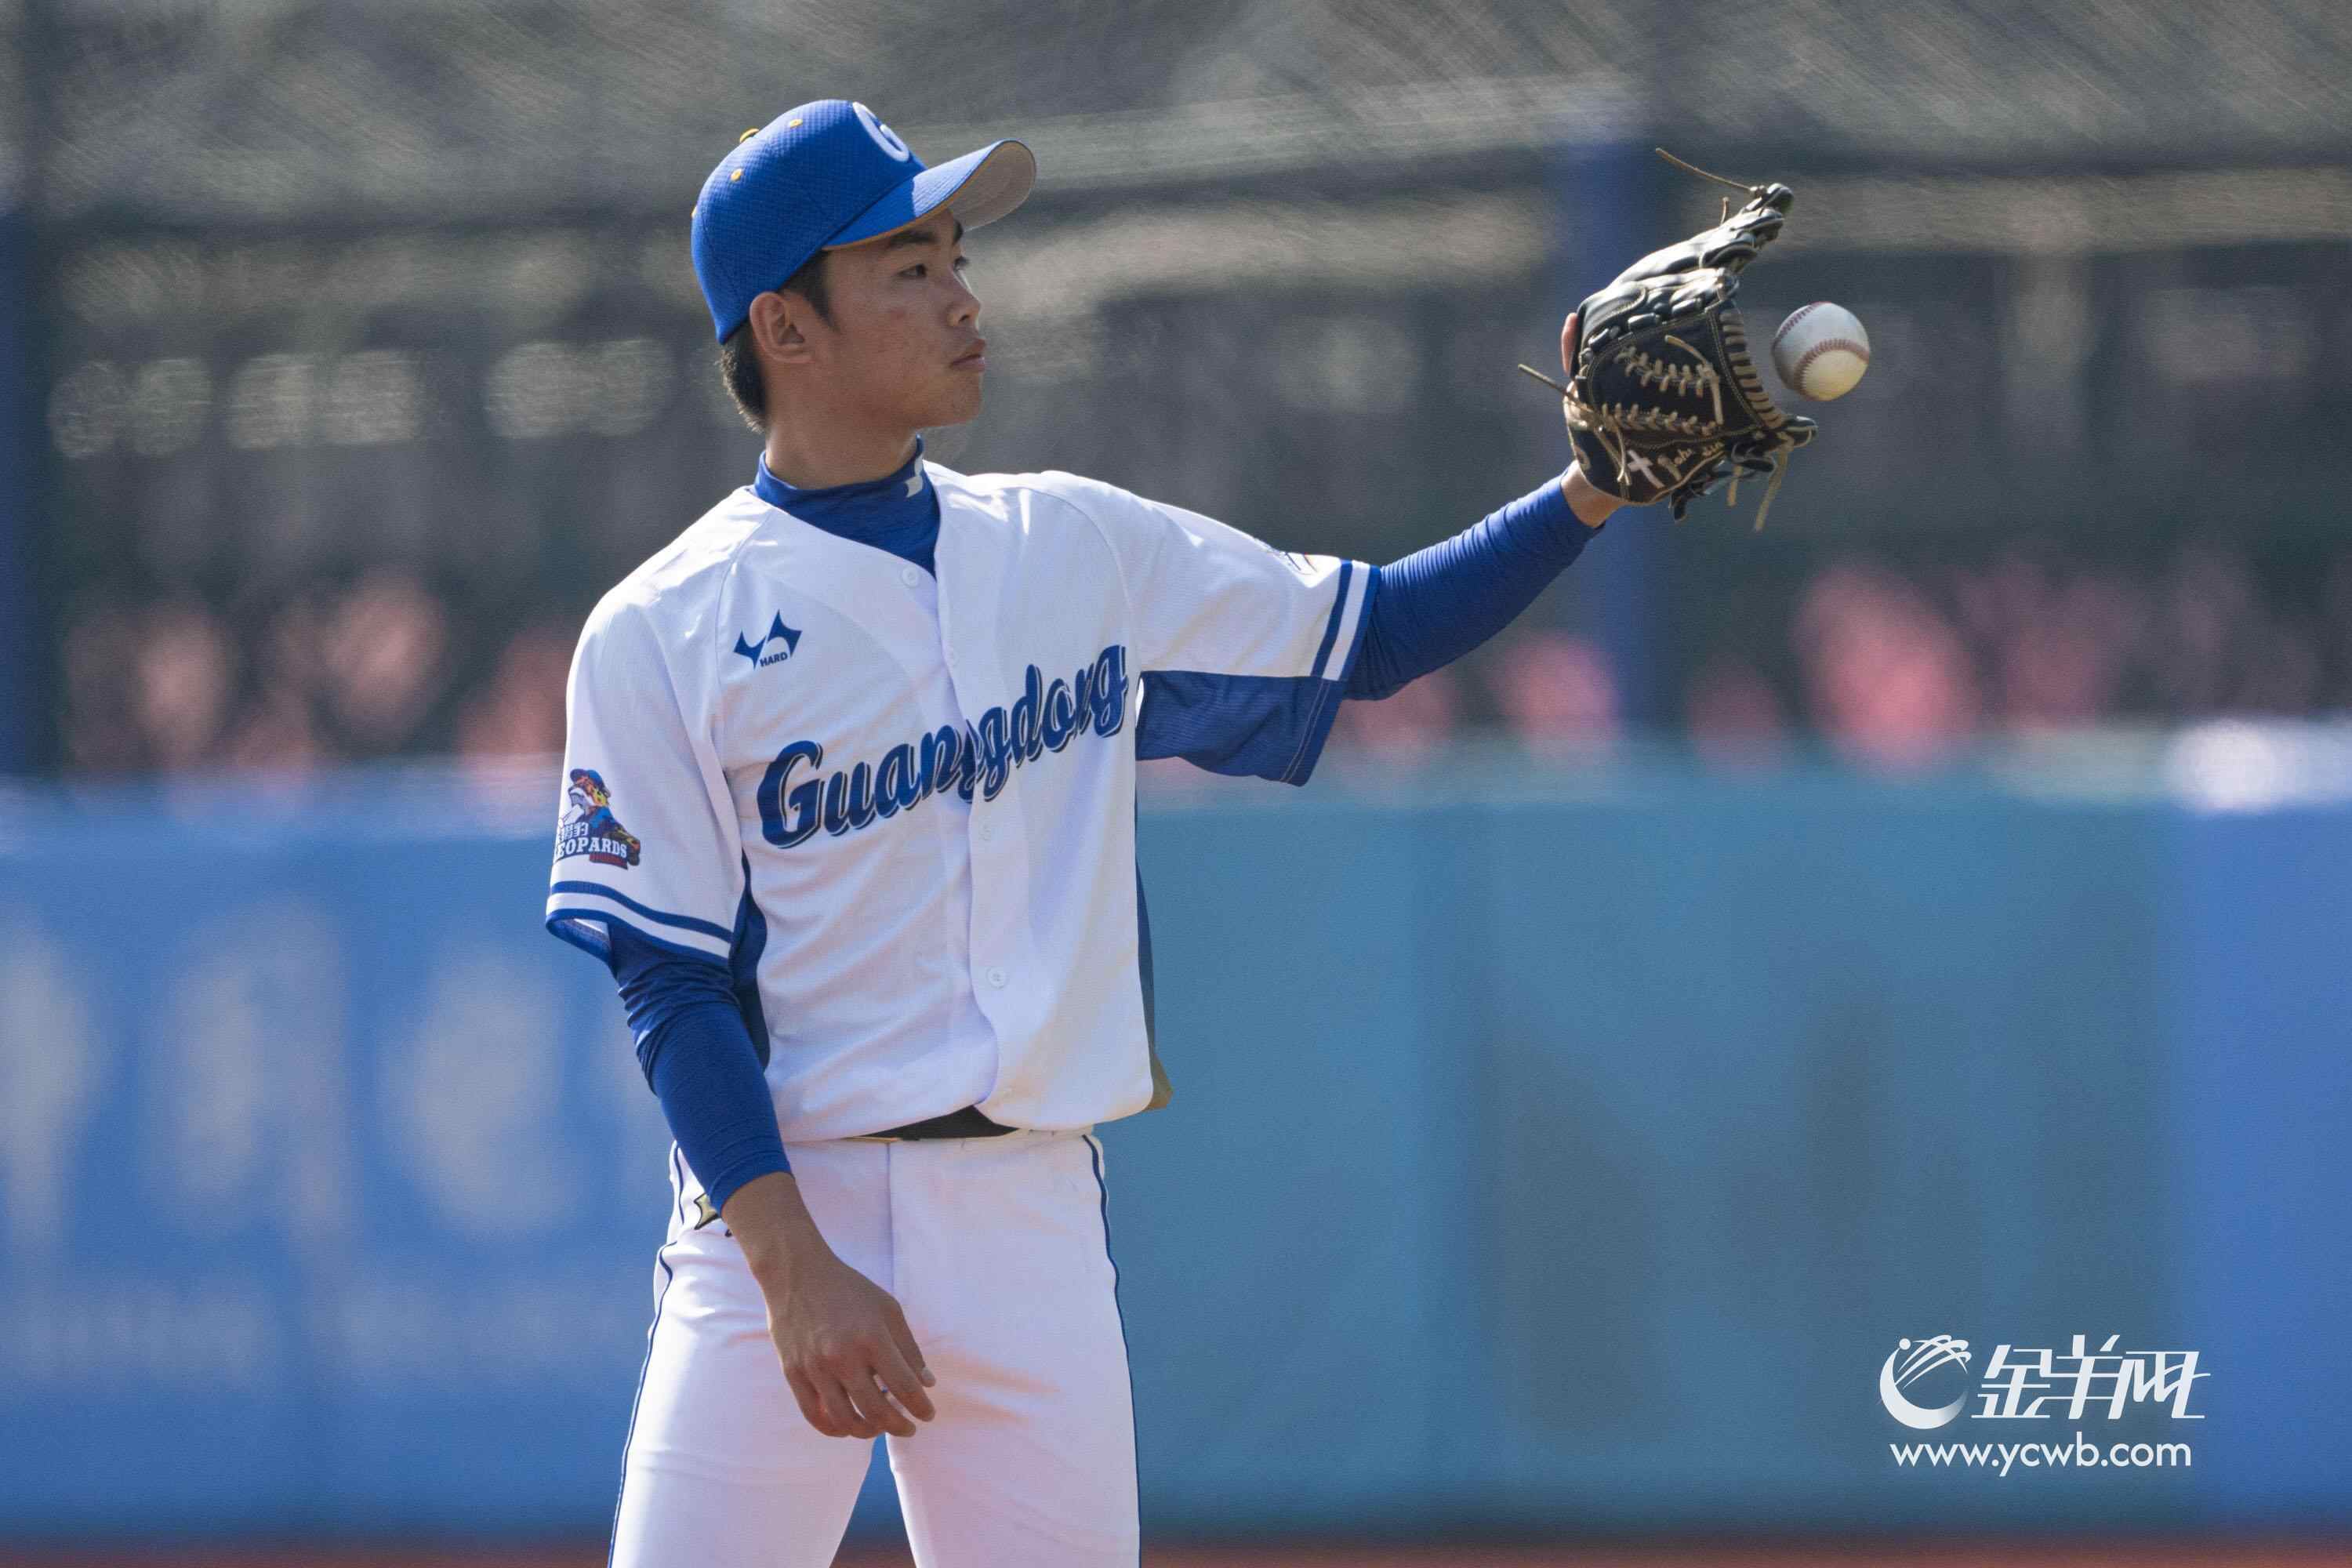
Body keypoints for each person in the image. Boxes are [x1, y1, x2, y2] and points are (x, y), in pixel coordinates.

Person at [545, 98, 1623, 1568]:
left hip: (1028, 1212)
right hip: (780, 1215)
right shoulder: (663, 628)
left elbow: (1369, 632)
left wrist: (1590, 491)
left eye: (956, 258)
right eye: (908, 268)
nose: (963, 299)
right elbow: (668, 982)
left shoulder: (1070, 544)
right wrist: (795, 1272)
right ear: (785, 328)